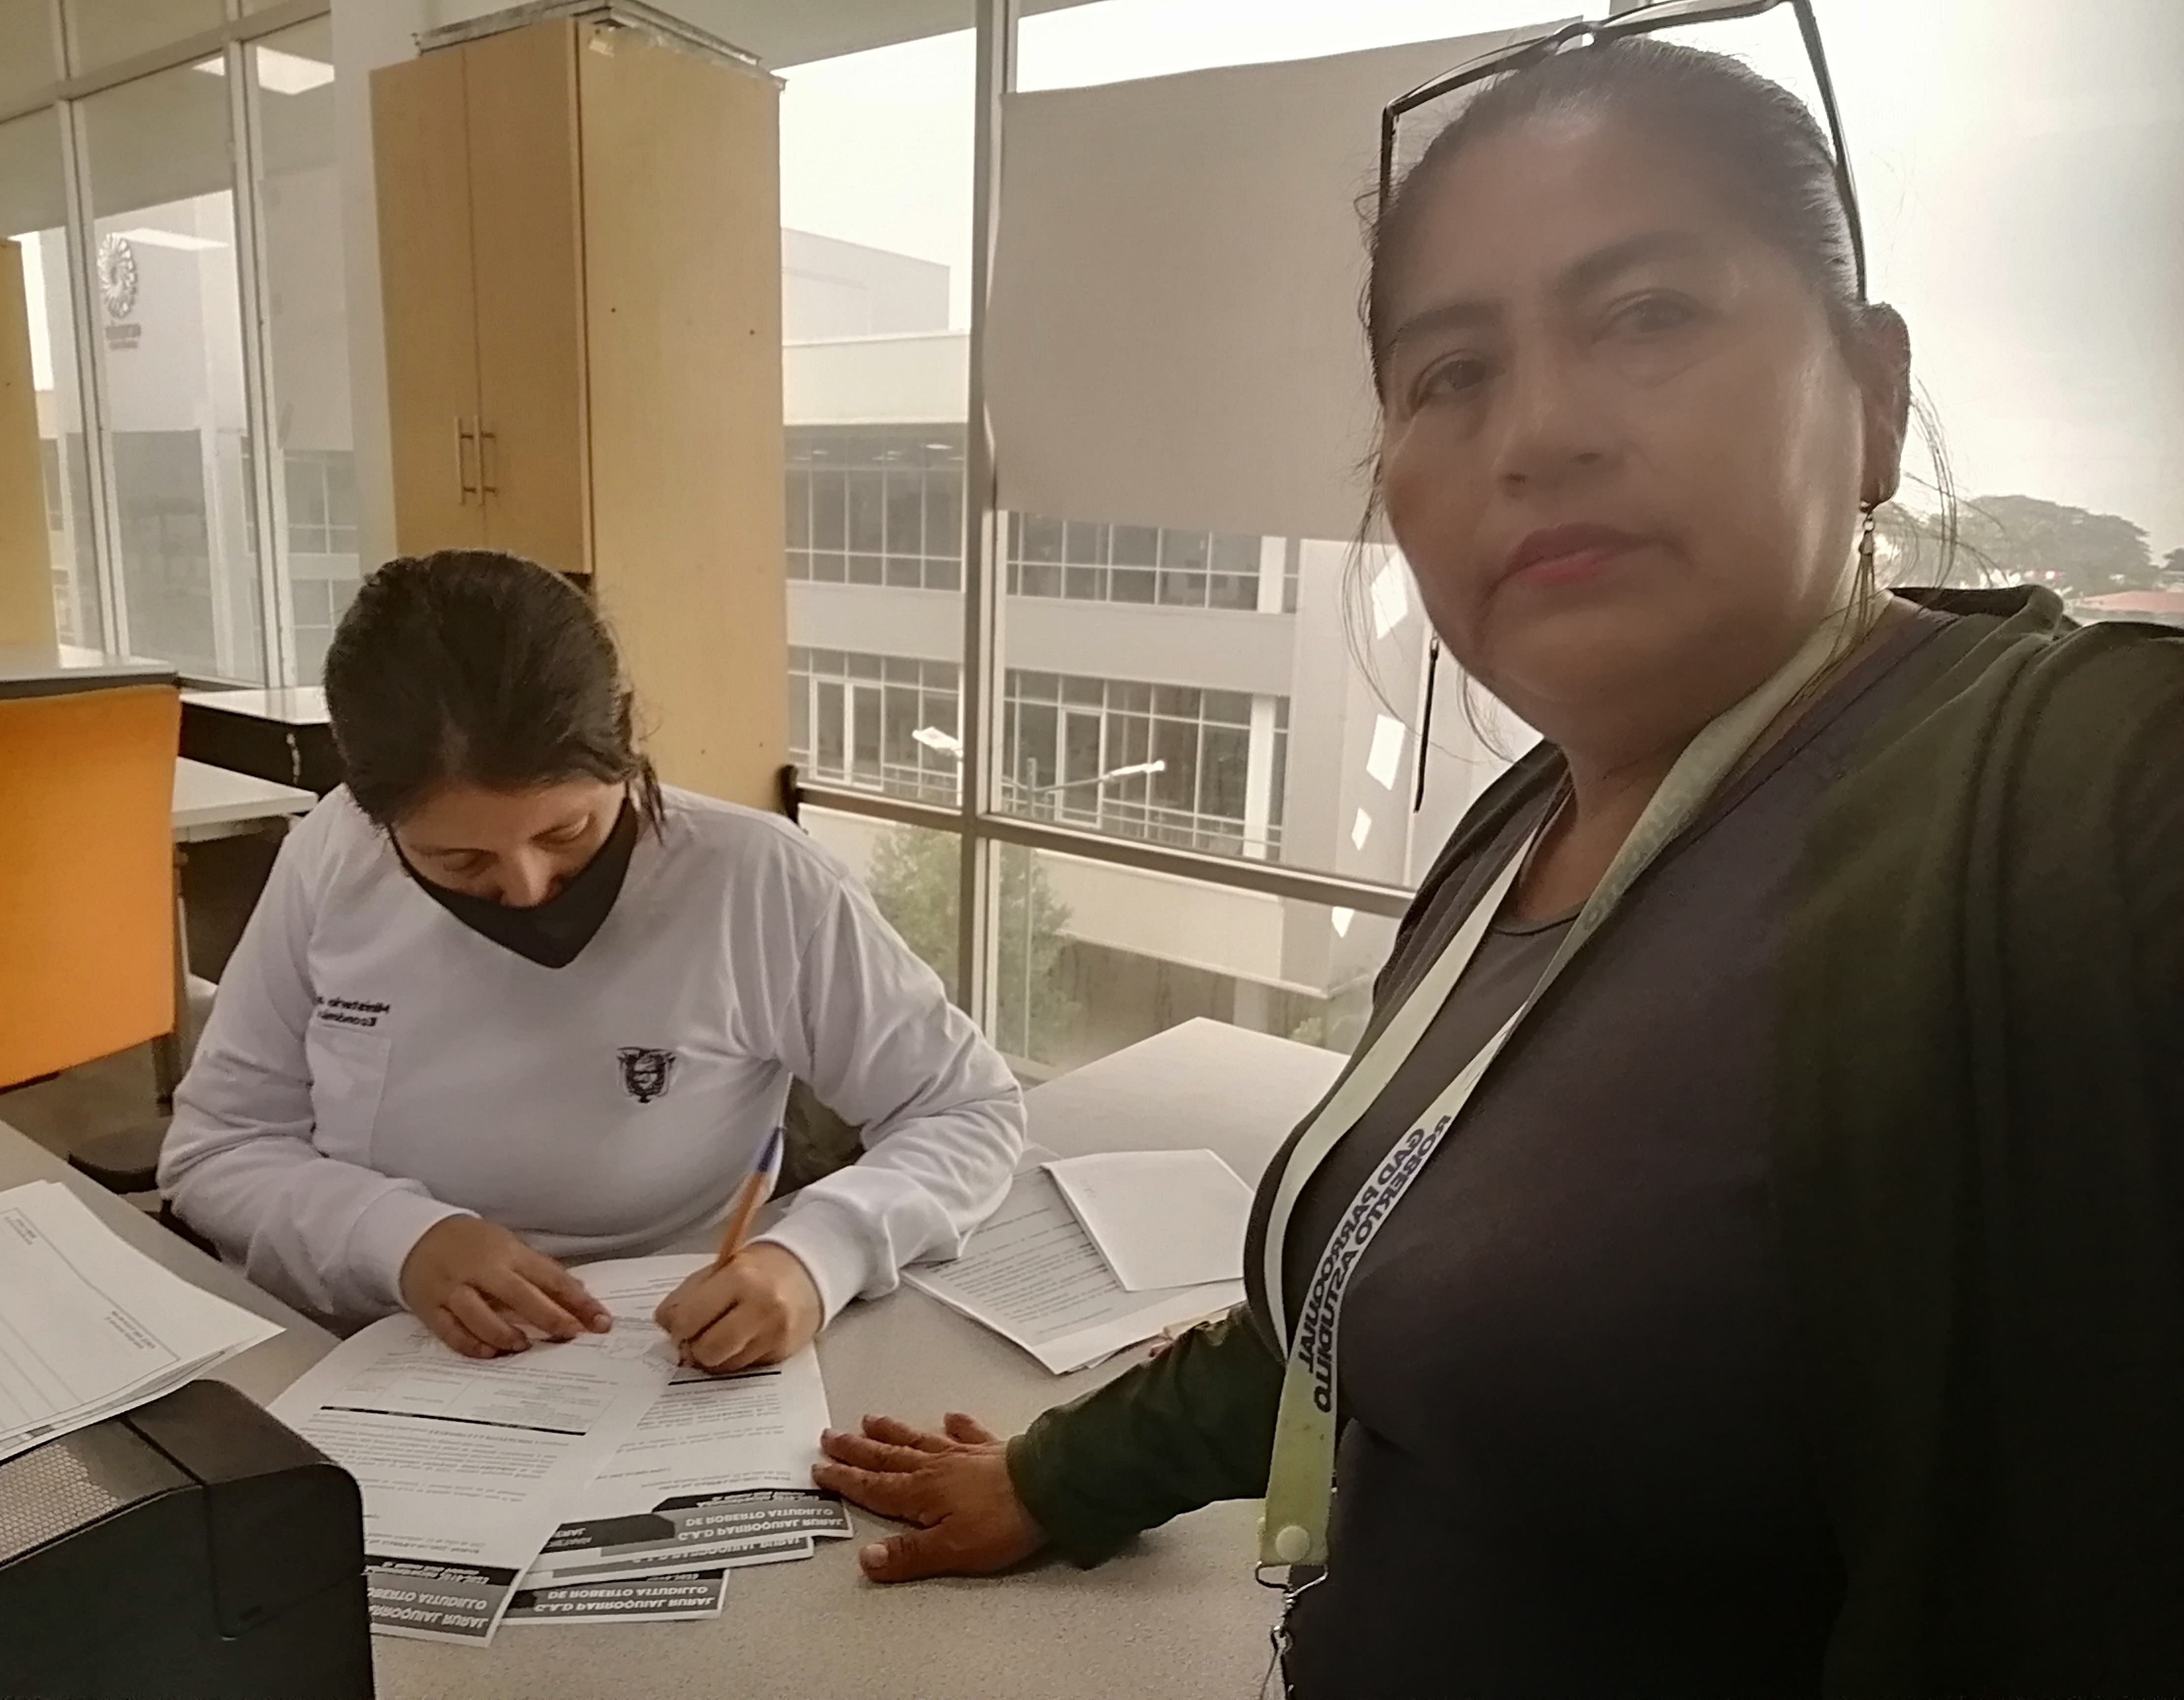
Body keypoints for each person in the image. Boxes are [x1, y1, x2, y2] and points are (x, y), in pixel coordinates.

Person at [811, 34, 2184, 1698]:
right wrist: (1057, 1477)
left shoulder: (2065, 795)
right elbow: (1387, 1296)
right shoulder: (1514, 834)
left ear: (1873, 395)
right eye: (1448, 374)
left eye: (1648, 314)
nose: (1535, 431)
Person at [160, 551, 1023, 1372]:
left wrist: (819, 1254)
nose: (528, 887)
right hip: (365, 1345)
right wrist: (395, 1240)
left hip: (661, 1354)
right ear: (371, 812)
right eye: (459, 860)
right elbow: (218, 1149)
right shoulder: (333, 856)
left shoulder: (756, 879)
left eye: (566, 830)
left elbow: (965, 1109)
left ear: (625, 743)